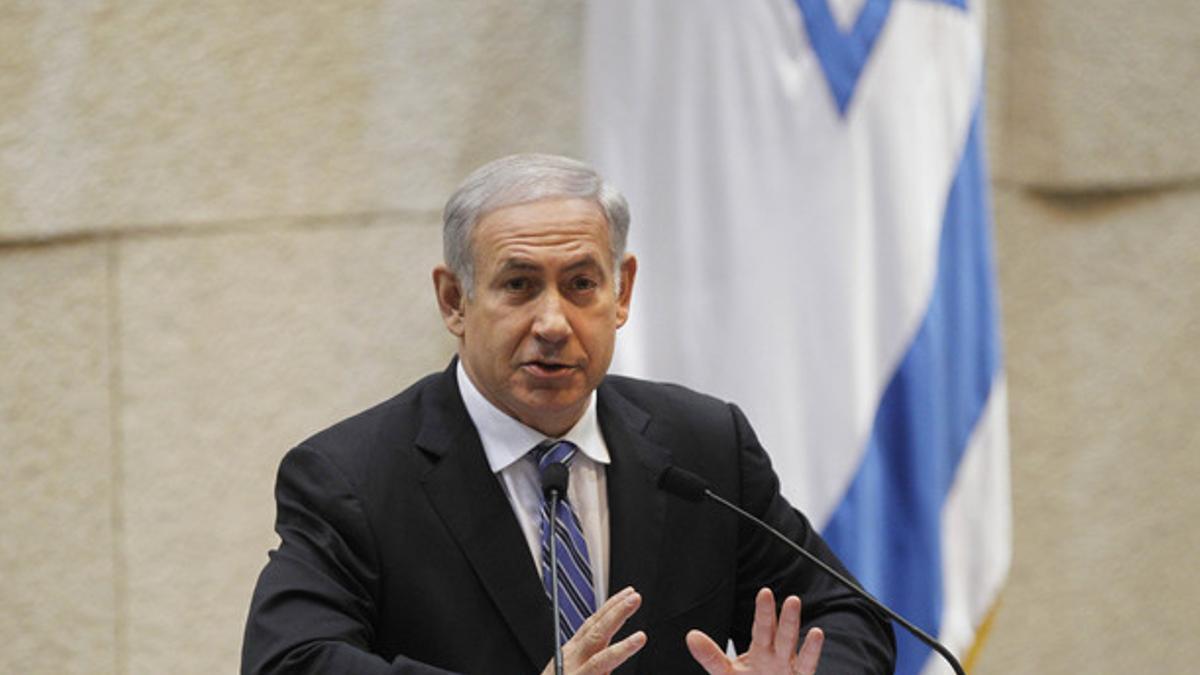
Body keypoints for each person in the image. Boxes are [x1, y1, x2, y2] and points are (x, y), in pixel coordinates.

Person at [242, 154, 895, 674]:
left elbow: (848, 618)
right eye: (519, 284)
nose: (553, 322)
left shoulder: (703, 446)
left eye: (581, 284)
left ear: (622, 292)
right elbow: (289, 660)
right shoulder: (352, 476)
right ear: (454, 300)